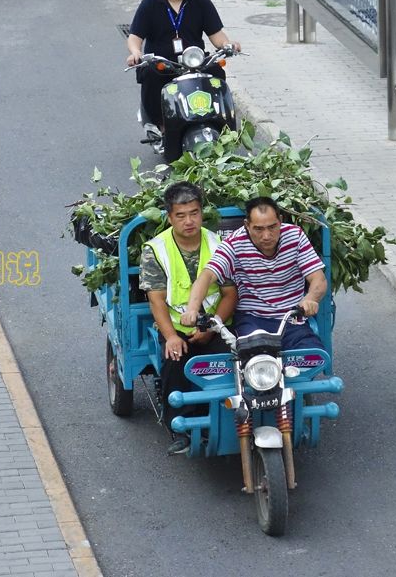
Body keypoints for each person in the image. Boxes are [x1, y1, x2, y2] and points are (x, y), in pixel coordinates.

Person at [139, 182, 237, 455]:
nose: (189, 221)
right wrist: (170, 336)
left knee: (234, 361)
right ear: (169, 217)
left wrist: (212, 328)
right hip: (177, 327)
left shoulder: (219, 245)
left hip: (217, 325)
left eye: (194, 213)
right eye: (181, 216)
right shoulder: (155, 250)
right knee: (175, 361)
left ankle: (233, 416)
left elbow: (230, 294)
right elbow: (156, 300)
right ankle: (179, 428)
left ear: (202, 213)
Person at [180, 197, 327, 350]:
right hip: (252, 320)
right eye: (258, 229)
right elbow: (207, 276)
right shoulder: (234, 243)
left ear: (280, 221)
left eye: (272, 227)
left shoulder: (295, 236)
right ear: (247, 225)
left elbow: (318, 279)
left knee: (312, 356)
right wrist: (192, 309)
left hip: (291, 318)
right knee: (254, 357)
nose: (266, 236)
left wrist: (310, 299)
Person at [125, 0, 242, 130]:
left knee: (217, 72)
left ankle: (219, 119)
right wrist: (135, 52)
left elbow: (216, 34)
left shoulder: (200, 0)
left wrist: (227, 45)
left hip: (195, 63)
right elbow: (135, 37)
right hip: (163, 64)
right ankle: (159, 124)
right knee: (149, 74)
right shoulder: (150, 4)